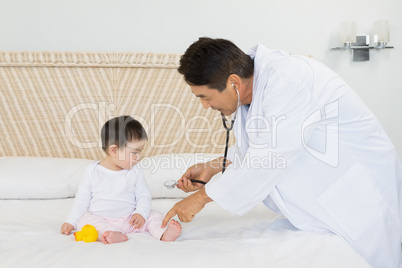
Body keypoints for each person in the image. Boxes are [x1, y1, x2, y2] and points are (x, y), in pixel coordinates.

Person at [161, 37, 402, 267]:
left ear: (233, 82)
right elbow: (257, 148)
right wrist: (214, 166)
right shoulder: (252, 95)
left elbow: (269, 156)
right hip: (329, 198)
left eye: (205, 97)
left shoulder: (289, 79)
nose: (205, 105)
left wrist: (201, 198)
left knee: (377, 258)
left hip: (359, 195)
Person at [61, 116, 181, 244]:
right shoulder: (92, 171)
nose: (138, 157)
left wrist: (141, 213)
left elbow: (143, 195)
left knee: (154, 216)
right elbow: (82, 199)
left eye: (140, 152)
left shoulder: (135, 171)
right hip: (102, 219)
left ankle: (163, 234)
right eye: (135, 152)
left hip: (131, 220)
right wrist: (71, 220)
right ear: (114, 150)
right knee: (84, 222)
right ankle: (111, 234)